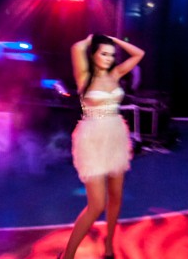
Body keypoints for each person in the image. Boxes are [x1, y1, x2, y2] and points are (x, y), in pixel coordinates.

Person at [60, 33, 145, 259]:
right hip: (92, 139)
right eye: (104, 53)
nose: (108, 58)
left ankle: (108, 248)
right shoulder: (84, 76)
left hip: (115, 136)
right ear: (94, 54)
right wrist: (92, 39)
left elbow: (139, 54)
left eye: (111, 55)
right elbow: (77, 47)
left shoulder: (115, 74)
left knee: (116, 196)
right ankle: (67, 255)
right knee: (97, 204)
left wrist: (114, 40)